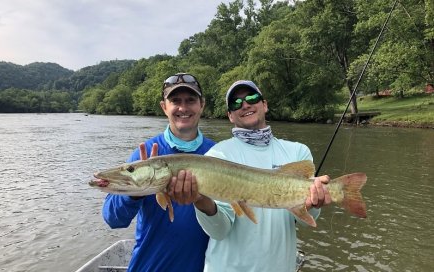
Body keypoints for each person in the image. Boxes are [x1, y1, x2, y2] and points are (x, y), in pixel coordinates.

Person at [168, 80, 332, 272]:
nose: (245, 105)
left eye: (252, 98)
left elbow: (305, 222)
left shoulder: (297, 152)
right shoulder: (218, 156)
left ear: (264, 104)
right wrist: (200, 201)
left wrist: (313, 204)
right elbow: (220, 231)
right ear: (230, 115)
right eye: (236, 103)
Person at [102, 73, 216, 272]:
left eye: (190, 100)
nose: (183, 108)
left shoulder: (218, 154)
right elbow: (113, 219)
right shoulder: (145, 154)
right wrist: (136, 192)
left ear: (202, 105)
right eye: (175, 101)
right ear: (164, 107)